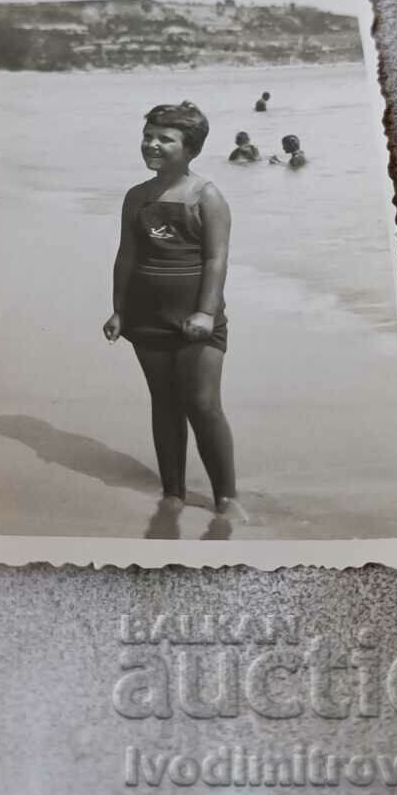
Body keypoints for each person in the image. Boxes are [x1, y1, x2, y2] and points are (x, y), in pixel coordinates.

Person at [102, 101, 246, 525]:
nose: (153, 144)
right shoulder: (136, 197)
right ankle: (173, 493)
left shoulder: (207, 196)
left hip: (196, 319)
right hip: (146, 316)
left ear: (191, 149)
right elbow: (126, 255)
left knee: (202, 404)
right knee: (163, 403)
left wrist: (205, 312)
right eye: (148, 135)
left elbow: (217, 260)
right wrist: (118, 310)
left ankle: (227, 497)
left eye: (165, 138)